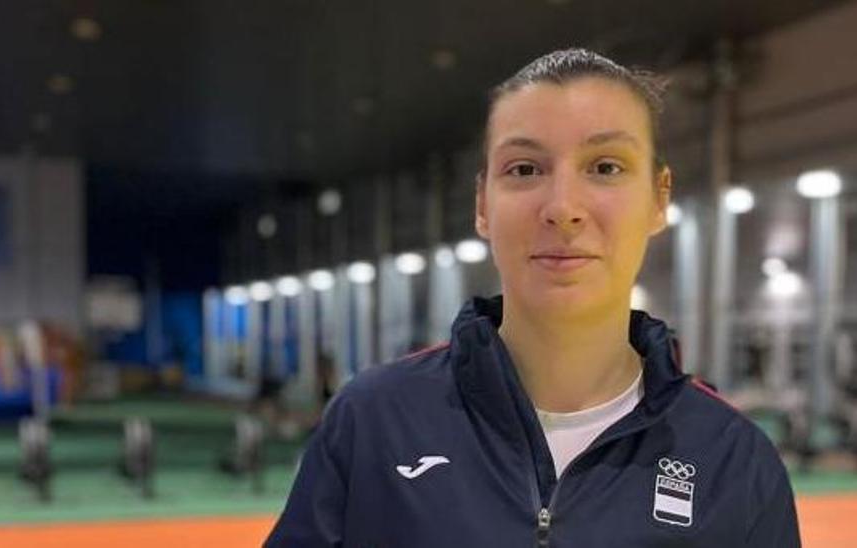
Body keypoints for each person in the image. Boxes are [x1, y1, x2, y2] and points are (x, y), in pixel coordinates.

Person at [266, 48, 800, 547]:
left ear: (658, 200)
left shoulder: (735, 461)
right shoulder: (373, 421)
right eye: (525, 169)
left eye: (606, 167)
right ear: (482, 205)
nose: (563, 206)